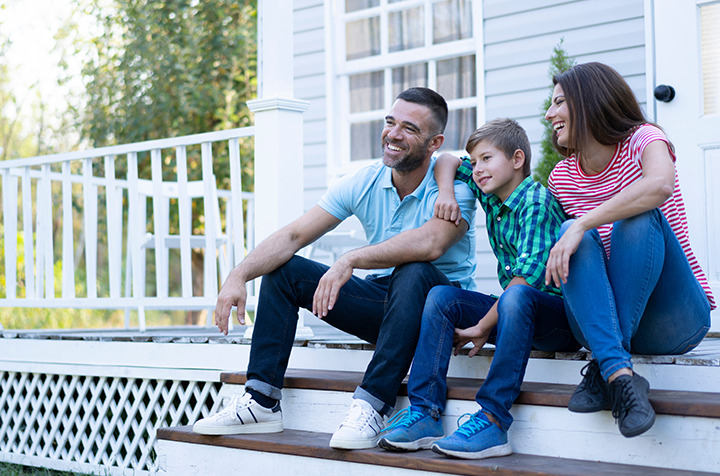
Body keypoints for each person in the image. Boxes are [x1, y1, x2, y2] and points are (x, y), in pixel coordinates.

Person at [192, 87, 479, 450]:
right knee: (286, 270)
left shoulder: (455, 188)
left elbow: (432, 244)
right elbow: (295, 234)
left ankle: (372, 405)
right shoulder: (365, 181)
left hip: (440, 314)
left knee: (414, 270)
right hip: (389, 307)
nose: (393, 134)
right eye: (390, 122)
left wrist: (351, 259)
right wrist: (238, 275)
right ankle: (261, 401)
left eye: (409, 128)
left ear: (434, 142)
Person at [377, 118, 579, 459]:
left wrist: (483, 325)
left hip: (557, 319)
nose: (478, 169)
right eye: (477, 160)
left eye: (487, 159)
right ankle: (425, 412)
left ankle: (493, 420)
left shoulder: (535, 202)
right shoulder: (494, 196)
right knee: (441, 297)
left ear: (517, 160)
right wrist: (445, 193)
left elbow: (526, 281)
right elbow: (448, 160)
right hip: (514, 312)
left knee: (515, 295)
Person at [544, 62, 715, 438]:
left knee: (635, 218)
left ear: (588, 100)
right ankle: (620, 374)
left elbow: (659, 186)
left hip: (672, 318)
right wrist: (576, 230)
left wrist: (586, 222)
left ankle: (604, 364)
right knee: (571, 230)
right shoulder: (562, 176)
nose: (549, 114)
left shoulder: (644, 138)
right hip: (599, 321)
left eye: (559, 102)